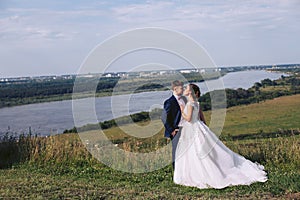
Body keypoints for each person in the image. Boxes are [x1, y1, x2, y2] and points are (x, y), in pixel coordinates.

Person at [174, 84, 267, 189]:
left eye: (186, 88)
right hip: (198, 127)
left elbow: (189, 119)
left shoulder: (190, 104)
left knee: (194, 151)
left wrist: (182, 110)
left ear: (191, 91)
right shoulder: (196, 103)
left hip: (192, 128)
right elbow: (202, 119)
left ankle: (197, 173)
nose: (185, 90)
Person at [161, 80, 186, 169]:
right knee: (176, 151)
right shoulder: (169, 102)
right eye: (181, 88)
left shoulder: (184, 99)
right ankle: (176, 172)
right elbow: (164, 118)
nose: (183, 89)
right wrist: (171, 130)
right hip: (176, 130)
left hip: (186, 129)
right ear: (175, 89)